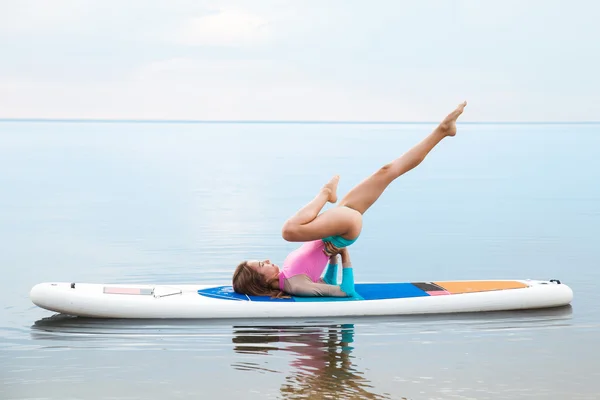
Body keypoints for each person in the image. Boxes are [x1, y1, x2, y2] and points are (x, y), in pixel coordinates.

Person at [232, 101, 467, 298]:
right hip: (342, 230)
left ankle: (443, 131)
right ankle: (325, 194)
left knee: (386, 172)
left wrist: (333, 259)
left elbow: (323, 278)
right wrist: (345, 257)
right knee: (288, 232)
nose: (267, 260)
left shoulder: (287, 278)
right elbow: (345, 293)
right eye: (262, 265)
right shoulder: (294, 286)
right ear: (259, 282)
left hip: (336, 228)